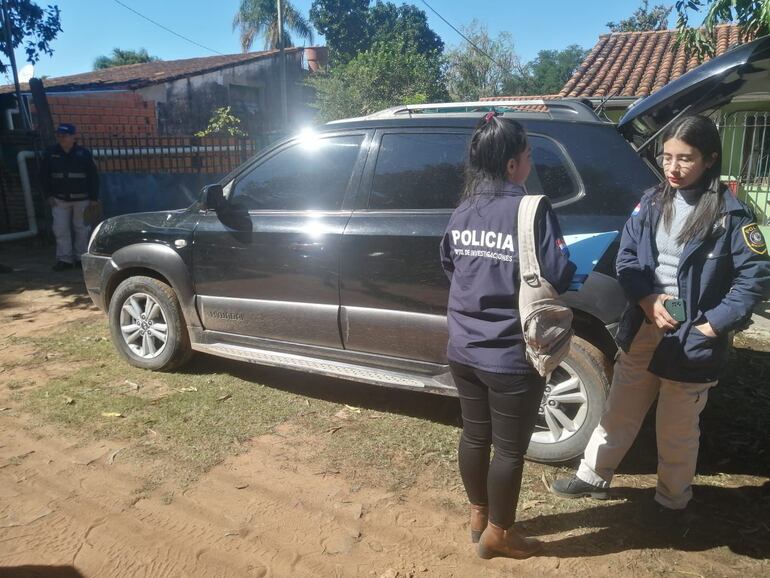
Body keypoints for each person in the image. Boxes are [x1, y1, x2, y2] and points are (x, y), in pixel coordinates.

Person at [550, 115, 770, 524]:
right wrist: (648, 299)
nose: (673, 167)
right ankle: (593, 476)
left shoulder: (731, 216)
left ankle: (672, 501)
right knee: (620, 407)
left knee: (677, 424)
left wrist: (713, 324)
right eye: (667, 157)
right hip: (646, 323)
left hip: (694, 337)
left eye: (685, 159)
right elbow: (628, 258)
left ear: (710, 159)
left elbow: (754, 278)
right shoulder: (651, 201)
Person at [440, 113, 575, 559]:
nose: (530, 160)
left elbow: (449, 265)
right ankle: (499, 533)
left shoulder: (462, 210)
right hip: (511, 355)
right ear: (515, 163)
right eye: (529, 153)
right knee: (510, 450)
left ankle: (479, 513)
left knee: (475, 436)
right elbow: (556, 272)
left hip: (463, 347)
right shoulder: (532, 209)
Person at [40, 123, 99, 271]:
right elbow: (43, 176)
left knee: (82, 229)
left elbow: (93, 176)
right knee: (60, 229)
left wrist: (94, 198)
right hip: (59, 199)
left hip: (82, 199)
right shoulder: (51, 152)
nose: (61, 138)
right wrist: (48, 195)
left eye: (64, 135)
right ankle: (64, 259)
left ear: (73, 137)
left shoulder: (83, 153)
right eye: (59, 135)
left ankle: (81, 258)